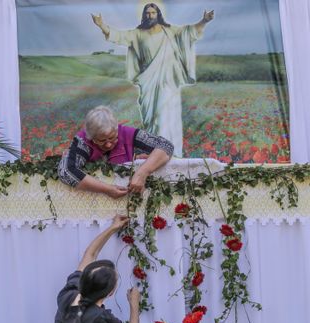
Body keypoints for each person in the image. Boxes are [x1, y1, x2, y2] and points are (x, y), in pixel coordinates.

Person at [92, 4, 214, 157]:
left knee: (165, 116)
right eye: (147, 13)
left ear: (158, 14)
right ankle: (152, 153)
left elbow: (189, 32)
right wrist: (101, 25)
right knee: (151, 117)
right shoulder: (138, 33)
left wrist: (204, 20)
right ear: (144, 15)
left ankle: (169, 153)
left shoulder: (169, 31)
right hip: (148, 81)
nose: (150, 15)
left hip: (168, 81)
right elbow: (119, 36)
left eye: (153, 12)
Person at [58, 105, 174, 198]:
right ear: (91, 137)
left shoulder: (126, 132)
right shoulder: (83, 140)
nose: (108, 144)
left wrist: (142, 173)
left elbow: (166, 146)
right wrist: (107, 189)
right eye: (101, 140)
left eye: (112, 138)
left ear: (116, 129)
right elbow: (66, 171)